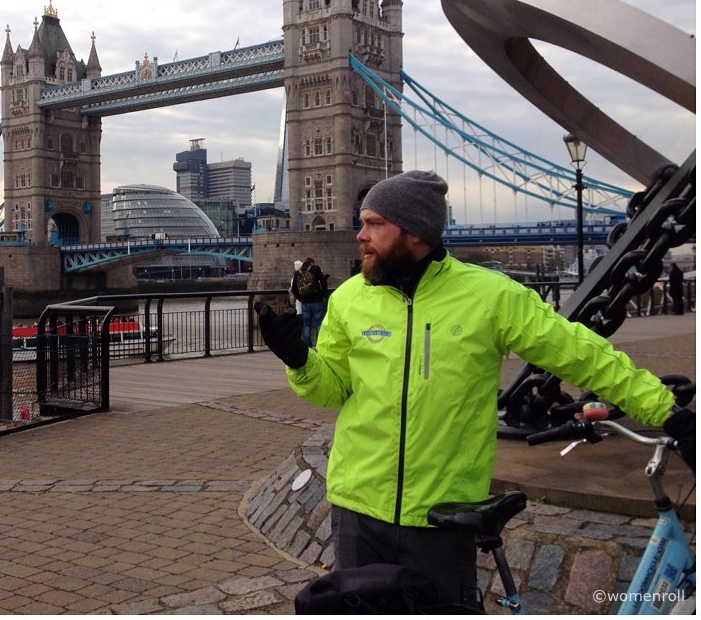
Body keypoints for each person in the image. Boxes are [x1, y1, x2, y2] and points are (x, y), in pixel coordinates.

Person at [256, 169, 695, 611]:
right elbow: (333, 389)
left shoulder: (491, 297)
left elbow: (585, 355)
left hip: (441, 517)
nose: (359, 236)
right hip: (356, 511)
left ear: (413, 233)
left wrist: (666, 411)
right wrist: (298, 359)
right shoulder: (350, 298)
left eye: (374, 224)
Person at [290, 256, 328, 347]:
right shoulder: (315, 269)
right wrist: (323, 295)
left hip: (305, 302)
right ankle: (320, 344)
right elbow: (323, 282)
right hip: (317, 300)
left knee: (306, 324)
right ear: (312, 263)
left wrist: (300, 298)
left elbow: (294, 289)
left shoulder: (298, 272)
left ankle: (308, 346)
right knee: (319, 323)